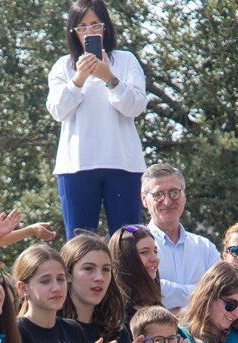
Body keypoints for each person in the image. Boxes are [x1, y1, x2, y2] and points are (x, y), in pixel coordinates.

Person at [47, 0, 148, 237]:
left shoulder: (125, 60)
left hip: (123, 163)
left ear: (105, 28)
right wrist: (79, 79)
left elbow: (136, 106)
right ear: (74, 32)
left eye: (95, 25)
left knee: (127, 242)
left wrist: (110, 78)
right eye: (82, 27)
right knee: (80, 244)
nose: (89, 32)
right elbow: (57, 110)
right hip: (77, 166)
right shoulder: (63, 66)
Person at [142, 163, 220, 308]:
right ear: (144, 200)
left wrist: (163, 288)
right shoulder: (135, 247)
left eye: (174, 192)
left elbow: (222, 292)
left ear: (184, 196)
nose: (167, 201)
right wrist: (202, 294)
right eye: (158, 194)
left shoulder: (205, 248)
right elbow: (141, 294)